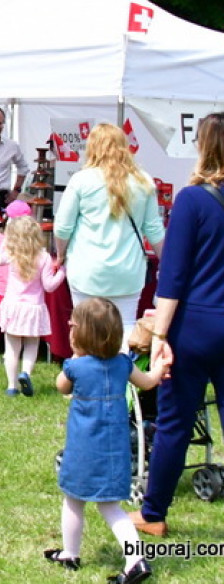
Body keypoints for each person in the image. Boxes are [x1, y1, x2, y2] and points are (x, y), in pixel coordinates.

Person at [131, 111, 224, 540]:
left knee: (174, 422)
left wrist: (160, 334)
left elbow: (173, 275)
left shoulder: (193, 199)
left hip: (196, 324)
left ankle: (153, 514)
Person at [47, 298, 164, 583]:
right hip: (115, 451)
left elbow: (60, 385)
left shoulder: (77, 367)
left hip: (84, 450)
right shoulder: (123, 364)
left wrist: (73, 358)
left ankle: (72, 553)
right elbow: (148, 382)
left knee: (73, 500)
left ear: (82, 334)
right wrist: (161, 367)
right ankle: (134, 558)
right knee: (111, 506)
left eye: (73, 326)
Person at [54, 123, 165, 346]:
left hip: (87, 269)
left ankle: (84, 378)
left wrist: (60, 254)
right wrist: (167, 261)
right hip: (128, 270)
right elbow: (154, 230)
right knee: (125, 329)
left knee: (83, 331)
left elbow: (62, 228)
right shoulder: (143, 181)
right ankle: (123, 378)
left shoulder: (81, 180)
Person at [0, 215, 65, 396]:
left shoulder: (11, 254)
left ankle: (11, 386)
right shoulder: (44, 257)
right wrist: (63, 271)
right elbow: (49, 286)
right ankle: (26, 373)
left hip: (12, 306)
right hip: (34, 307)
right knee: (32, 344)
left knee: (11, 348)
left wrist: (6, 239)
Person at [0, 199, 33, 362]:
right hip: (15, 289)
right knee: (15, 321)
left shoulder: (0, 238)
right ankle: (13, 352)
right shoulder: (27, 243)